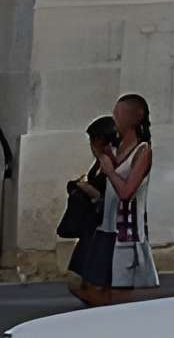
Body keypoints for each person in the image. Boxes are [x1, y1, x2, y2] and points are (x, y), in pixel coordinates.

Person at [74, 92, 158, 307]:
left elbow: (126, 192)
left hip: (127, 230)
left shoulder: (143, 151)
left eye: (118, 114)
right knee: (93, 286)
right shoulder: (118, 149)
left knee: (118, 293)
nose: (115, 118)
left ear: (134, 118)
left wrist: (110, 171)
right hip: (108, 226)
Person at [63, 115, 120, 303]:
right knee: (82, 273)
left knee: (90, 274)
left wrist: (92, 193)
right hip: (92, 224)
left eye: (93, 141)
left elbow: (115, 196)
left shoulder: (113, 162)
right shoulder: (100, 162)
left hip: (103, 225)